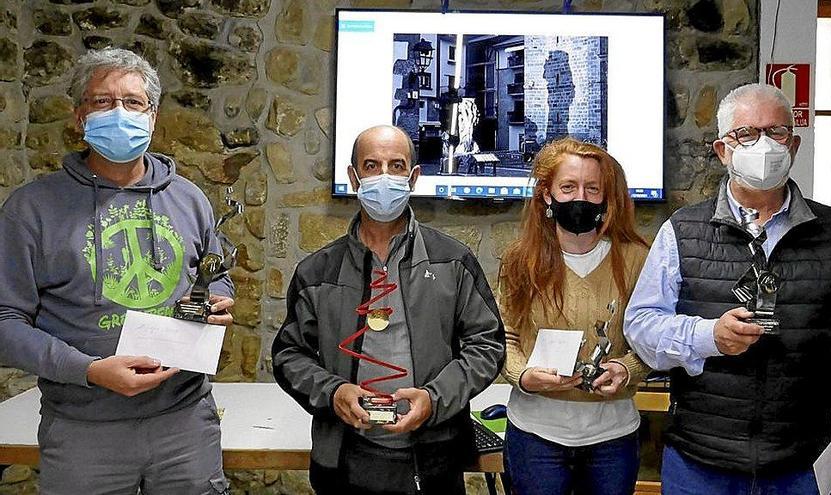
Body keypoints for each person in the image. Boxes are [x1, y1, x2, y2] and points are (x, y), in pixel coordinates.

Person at [0, 47, 235, 494]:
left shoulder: (189, 198)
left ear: (153, 116)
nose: (119, 112)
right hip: (84, 431)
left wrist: (219, 300)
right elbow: (5, 320)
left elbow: (214, 273)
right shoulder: (30, 210)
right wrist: (89, 370)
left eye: (133, 102)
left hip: (185, 423)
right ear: (79, 117)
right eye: (103, 101)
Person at [624, 83, 831, 493]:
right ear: (722, 150)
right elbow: (641, 328)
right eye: (746, 134)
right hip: (701, 461)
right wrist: (709, 336)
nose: (763, 144)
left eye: (776, 132)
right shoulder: (681, 231)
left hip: (803, 462)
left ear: (793, 144)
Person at [271, 125, 505, 495]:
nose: (384, 176)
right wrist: (333, 392)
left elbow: (487, 346)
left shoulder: (453, 261)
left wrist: (434, 398)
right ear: (353, 178)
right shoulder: (317, 273)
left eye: (396, 166)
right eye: (371, 165)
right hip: (346, 460)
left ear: (413, 178)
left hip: (434, 459)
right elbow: (290, 355)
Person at [498, 137, 652, 495]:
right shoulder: (520, 261)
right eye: (567, 187)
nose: (579, 197)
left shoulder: (636, 261)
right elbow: (505, 336)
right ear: (547, 195)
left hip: (612, 440)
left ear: (606, 196)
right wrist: (524, 376)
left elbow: (651, 339)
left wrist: (627, 368)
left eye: (591, 188)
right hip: (535, 438)